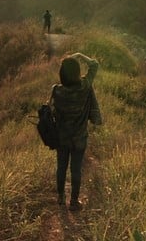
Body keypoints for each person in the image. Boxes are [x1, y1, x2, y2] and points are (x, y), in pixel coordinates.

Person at [51, 52, 101, 211]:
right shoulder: (85, 86)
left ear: (62, 74)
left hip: (62, 137)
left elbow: (52, 112)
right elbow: (95, 65)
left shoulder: (57, 90)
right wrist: (80, 55)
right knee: (76, 169)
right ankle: (74, 201)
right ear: (78, 72)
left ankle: (60, 198)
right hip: (79, 137)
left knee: (61, 166)